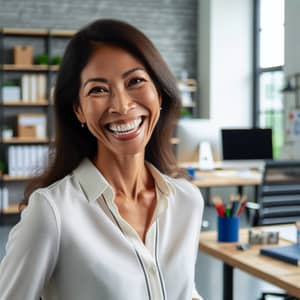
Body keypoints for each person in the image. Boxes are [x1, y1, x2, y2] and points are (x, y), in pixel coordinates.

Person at [0, 19, 204, 300]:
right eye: (98, 89)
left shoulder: (187, 200)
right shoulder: (51, 214)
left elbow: (180, 289)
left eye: (135, 81)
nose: (121, 106)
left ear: (158, 93)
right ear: (79, 110)